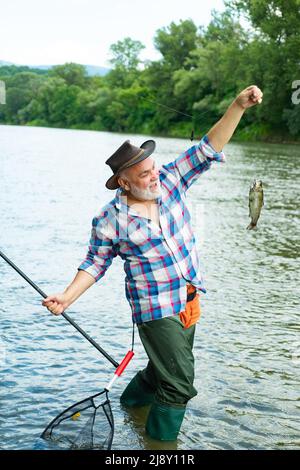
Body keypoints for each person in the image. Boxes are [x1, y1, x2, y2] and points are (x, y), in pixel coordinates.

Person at [42, 85, 263, 441]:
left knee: (164, 373)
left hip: (189, 297)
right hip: (155, 309)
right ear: (124, 183)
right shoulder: (109, 219)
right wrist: (67, 298)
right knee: (179, 385)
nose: (154, 176)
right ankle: (160, 446)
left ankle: (131, 403)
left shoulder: (171, 181)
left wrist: (238, 105)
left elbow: (209, 147)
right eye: (144, 175)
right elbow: (95, 264)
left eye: (153, 168)